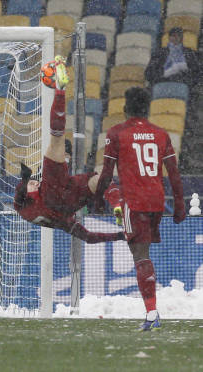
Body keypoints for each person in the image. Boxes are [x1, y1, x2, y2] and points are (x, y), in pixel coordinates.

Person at [93, 87, 185, 331]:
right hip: (156, 201)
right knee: (143, 255)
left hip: (134, 202)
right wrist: (179, 203)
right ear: (147, 109)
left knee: (140, 256)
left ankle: (152, 313)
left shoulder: (117, 133)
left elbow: (106, 173)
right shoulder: (161, 134)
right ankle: (152, 310)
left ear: (125, 109)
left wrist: (97, 200)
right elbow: (174, 174)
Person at [14, 56, 126, 244]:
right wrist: (26, 178)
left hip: (69, 202)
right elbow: (19, 196)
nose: (35, 183)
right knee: (56, 140)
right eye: (32, 184)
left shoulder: (58, 222)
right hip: (56, 194)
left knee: (99, 179)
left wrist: (120, 236)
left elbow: (88, 237)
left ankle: (118, 205)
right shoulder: (30, 201)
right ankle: (60, 90)